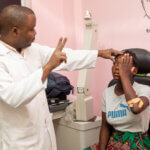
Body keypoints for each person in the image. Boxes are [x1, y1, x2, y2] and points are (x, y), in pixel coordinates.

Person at [0, 5, 122, 150]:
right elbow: (14, 97)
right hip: (20, 142)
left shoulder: (32, 49)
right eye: (31, 29)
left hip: (44, 135)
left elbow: (66, 56)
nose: (35, 33)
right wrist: (47, 68)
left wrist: (99, 53)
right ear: (15, 31)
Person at [99, 51, 150, 150]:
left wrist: (125, 76)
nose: (117, 68)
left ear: (134, 71)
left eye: (123, 65)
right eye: (115, 64)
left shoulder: (145, 90)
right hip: (114, 140)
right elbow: (105, 126)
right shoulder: (107, 93)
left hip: (137, 142)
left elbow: (135, 108)